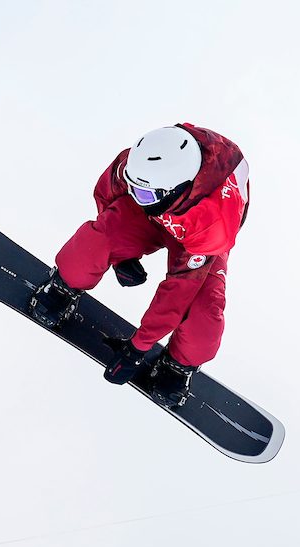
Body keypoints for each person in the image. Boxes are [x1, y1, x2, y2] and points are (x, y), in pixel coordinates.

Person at [33, 124, 251, 407]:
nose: (135, 195)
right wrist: (121, 254)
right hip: (158, 215)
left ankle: (177, 365)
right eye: (132, 186)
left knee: (203, 320)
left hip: (195, 237)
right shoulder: (138, 165)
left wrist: (139, 347)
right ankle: (64, 287)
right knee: (95, 243)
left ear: (176, 189)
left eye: (144, 194)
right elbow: (108, 197)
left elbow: (178, 293)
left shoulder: (212, 226)